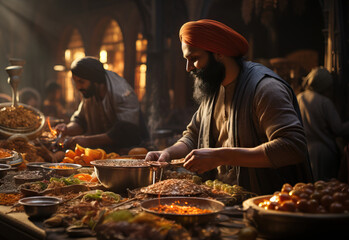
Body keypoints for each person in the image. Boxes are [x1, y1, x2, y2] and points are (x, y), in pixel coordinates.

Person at [145, 19, 312, 195]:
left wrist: (220, 156)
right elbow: (193, 136)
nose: (188, 68)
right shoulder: (214, 89)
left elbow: (293, 146)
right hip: (225, 206)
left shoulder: (265, 88)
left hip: (268, 204)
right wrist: (168, 154)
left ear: (218, 53)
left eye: (194, 59)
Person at [54, 56, 148, 155]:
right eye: (76, 82)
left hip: (130, 152)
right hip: (104, 153)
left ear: (95, 79)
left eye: (81, 82)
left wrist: (87, 141)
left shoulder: (121, 92)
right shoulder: (89, 91)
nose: (78, 87)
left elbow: (125, 130)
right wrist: (67, 129)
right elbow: (80, 121)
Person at [297, 67, 349, 181]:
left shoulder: (300, 97)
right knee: (325, 189)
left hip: (305, 150)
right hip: (325, 151)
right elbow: (338, 129)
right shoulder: (324, 102)